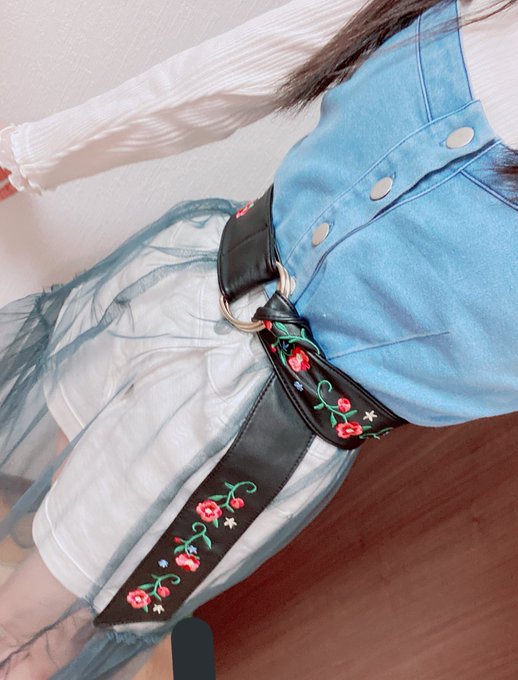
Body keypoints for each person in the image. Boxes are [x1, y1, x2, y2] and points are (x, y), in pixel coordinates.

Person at [0, 0, 517, 677]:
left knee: (43, 610)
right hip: (184, 286)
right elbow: (251, 64)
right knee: (58, 479)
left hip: (250, 442)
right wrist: (31, 154)